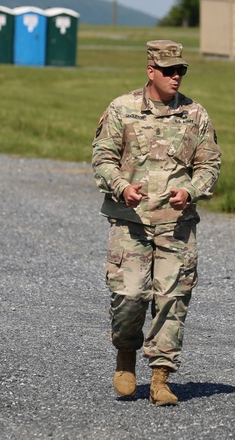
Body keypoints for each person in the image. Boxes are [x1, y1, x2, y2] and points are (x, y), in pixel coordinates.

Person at [91, 40, 222, 406]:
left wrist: (192, 190)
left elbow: (210, 164)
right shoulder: (122, 109)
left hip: (176, 224)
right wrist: (120, 186)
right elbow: (102, 158)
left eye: (181, 70)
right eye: (168, 71)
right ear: (151, 71)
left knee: (172, 299)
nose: (176, 77)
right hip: (130, 221)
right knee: (130, 295)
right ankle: (126, 354)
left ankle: (161, 377)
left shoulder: (195, 114)